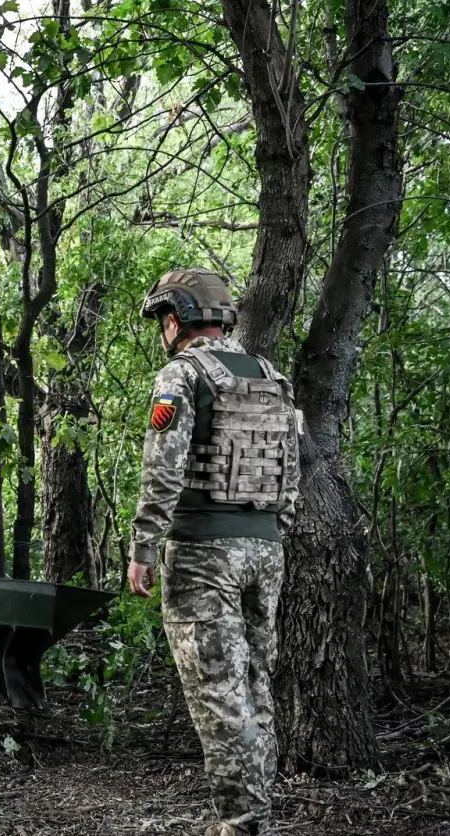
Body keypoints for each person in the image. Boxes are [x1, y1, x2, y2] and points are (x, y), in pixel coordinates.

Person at [127, 269, 301, 836]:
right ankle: (255, 815)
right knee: (254, 684)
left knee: (218, 695)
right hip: (267, 551)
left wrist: (144, 547)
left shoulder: (182, 374)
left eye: (162, 319)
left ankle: (244, 824)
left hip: (204, 553)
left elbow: (163, 471)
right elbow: (293, 472)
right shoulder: (272, 376)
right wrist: (274, 532)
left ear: (175, 319)